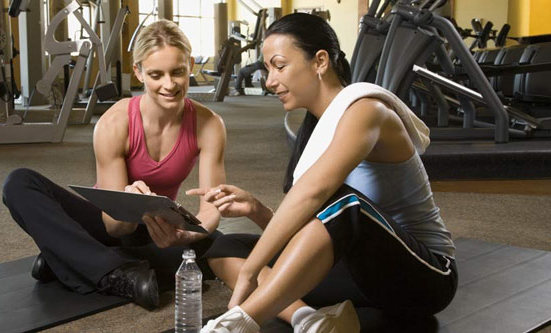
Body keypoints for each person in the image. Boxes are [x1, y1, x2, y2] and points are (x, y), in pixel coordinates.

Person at [188, 13, 457, 332]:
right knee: (227, 246)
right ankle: (308, 320)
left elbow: (320, 195)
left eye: (279, 65)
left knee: (344, 202)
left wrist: (251, 272)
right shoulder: (317, 129)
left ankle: (239, 323)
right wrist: (257, 211)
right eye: (267, 69)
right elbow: (314, 229)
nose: (270, 81)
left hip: (424, 277)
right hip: (359, 274)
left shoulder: (367, 111)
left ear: (319, 61)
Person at [1, 20, 227, 310]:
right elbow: (115, 228)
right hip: (109, 221)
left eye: (178, 72)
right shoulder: (115, 122)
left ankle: (69, 258)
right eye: (156, 75)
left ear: (191, 65)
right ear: (139, 72)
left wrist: (189, 234)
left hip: (156, 226)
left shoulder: (209, 125)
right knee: (19, 183)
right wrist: (130, 206)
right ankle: (116, 273)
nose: (169, 85)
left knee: (218, 246)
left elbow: (211, 208)